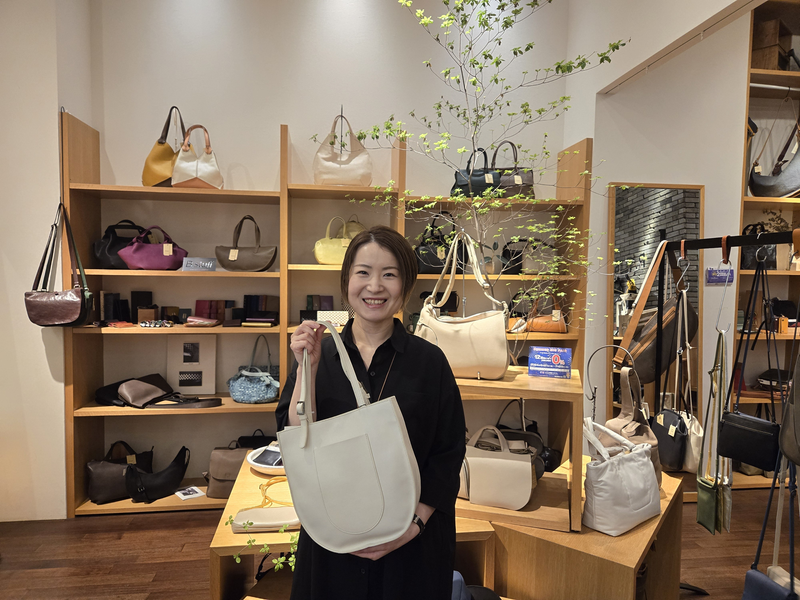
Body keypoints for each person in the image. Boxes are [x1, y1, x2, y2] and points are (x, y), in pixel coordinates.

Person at [275, 225, 466, 600]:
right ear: (346, 280)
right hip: (332, 535)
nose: (374, 286)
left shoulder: (429, 362)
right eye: (363, 272)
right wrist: (306, 368)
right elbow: (295, 437)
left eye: (389, 274)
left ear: (405, 285)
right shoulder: (320, 354)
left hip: (412, 543)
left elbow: (448, 450)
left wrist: (413, 524)